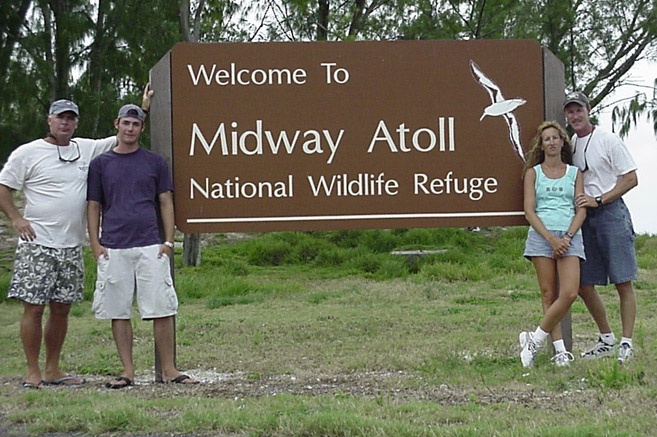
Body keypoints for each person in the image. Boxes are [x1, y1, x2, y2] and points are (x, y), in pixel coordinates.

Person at [0, 99, 117, 389]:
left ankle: (53, 369)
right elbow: (4, 187)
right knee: (34, 308)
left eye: (70, 119)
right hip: (37, 243)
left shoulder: (85, 148)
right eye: (60, 118)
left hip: (71, 245)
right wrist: (16, 218)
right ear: (49, 120)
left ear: (76, 123)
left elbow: (121, 136)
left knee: (61, 309)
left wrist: (145, 108)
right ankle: (32, 372)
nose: (65, 123)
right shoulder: (28, 153)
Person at [87, 104, 198, 388]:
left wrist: (169, 241)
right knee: (118, 310)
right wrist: (96, 245)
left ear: (141, 128)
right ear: (117, 125)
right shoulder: (101, 164)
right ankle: (127, 372)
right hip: (114, 246)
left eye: (135, 124)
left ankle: (169, 370)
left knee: (161, 308)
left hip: (151, 244)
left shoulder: (155, 162)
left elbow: (165, 201)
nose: (130, 129)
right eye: (126, 123)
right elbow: (94, 205)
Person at [564, 91, 639, 364]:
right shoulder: (570, 144)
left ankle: (627, 343)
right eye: (570, 112)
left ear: (588, 109)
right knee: (584, 283)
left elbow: (630, 178)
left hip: (611, 214)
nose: (575, 116)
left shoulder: (608, 140)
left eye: (579, 110)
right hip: (584, 218)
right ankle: (606, 338)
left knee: (622, 281)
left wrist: (600, 199)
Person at [518, 121, 587, 367]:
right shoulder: (533, 173)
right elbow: (529, 210)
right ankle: (560, 352)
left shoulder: (574, 173)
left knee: (568, 293)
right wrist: (550, 238)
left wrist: (566, 237)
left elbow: (581, 210)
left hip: (569, 236)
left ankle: (533, 340)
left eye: (555, 138)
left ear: (562, 142)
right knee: (549, 294)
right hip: (541, 235)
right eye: (547, 139)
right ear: (541, 144)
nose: (552, 142)